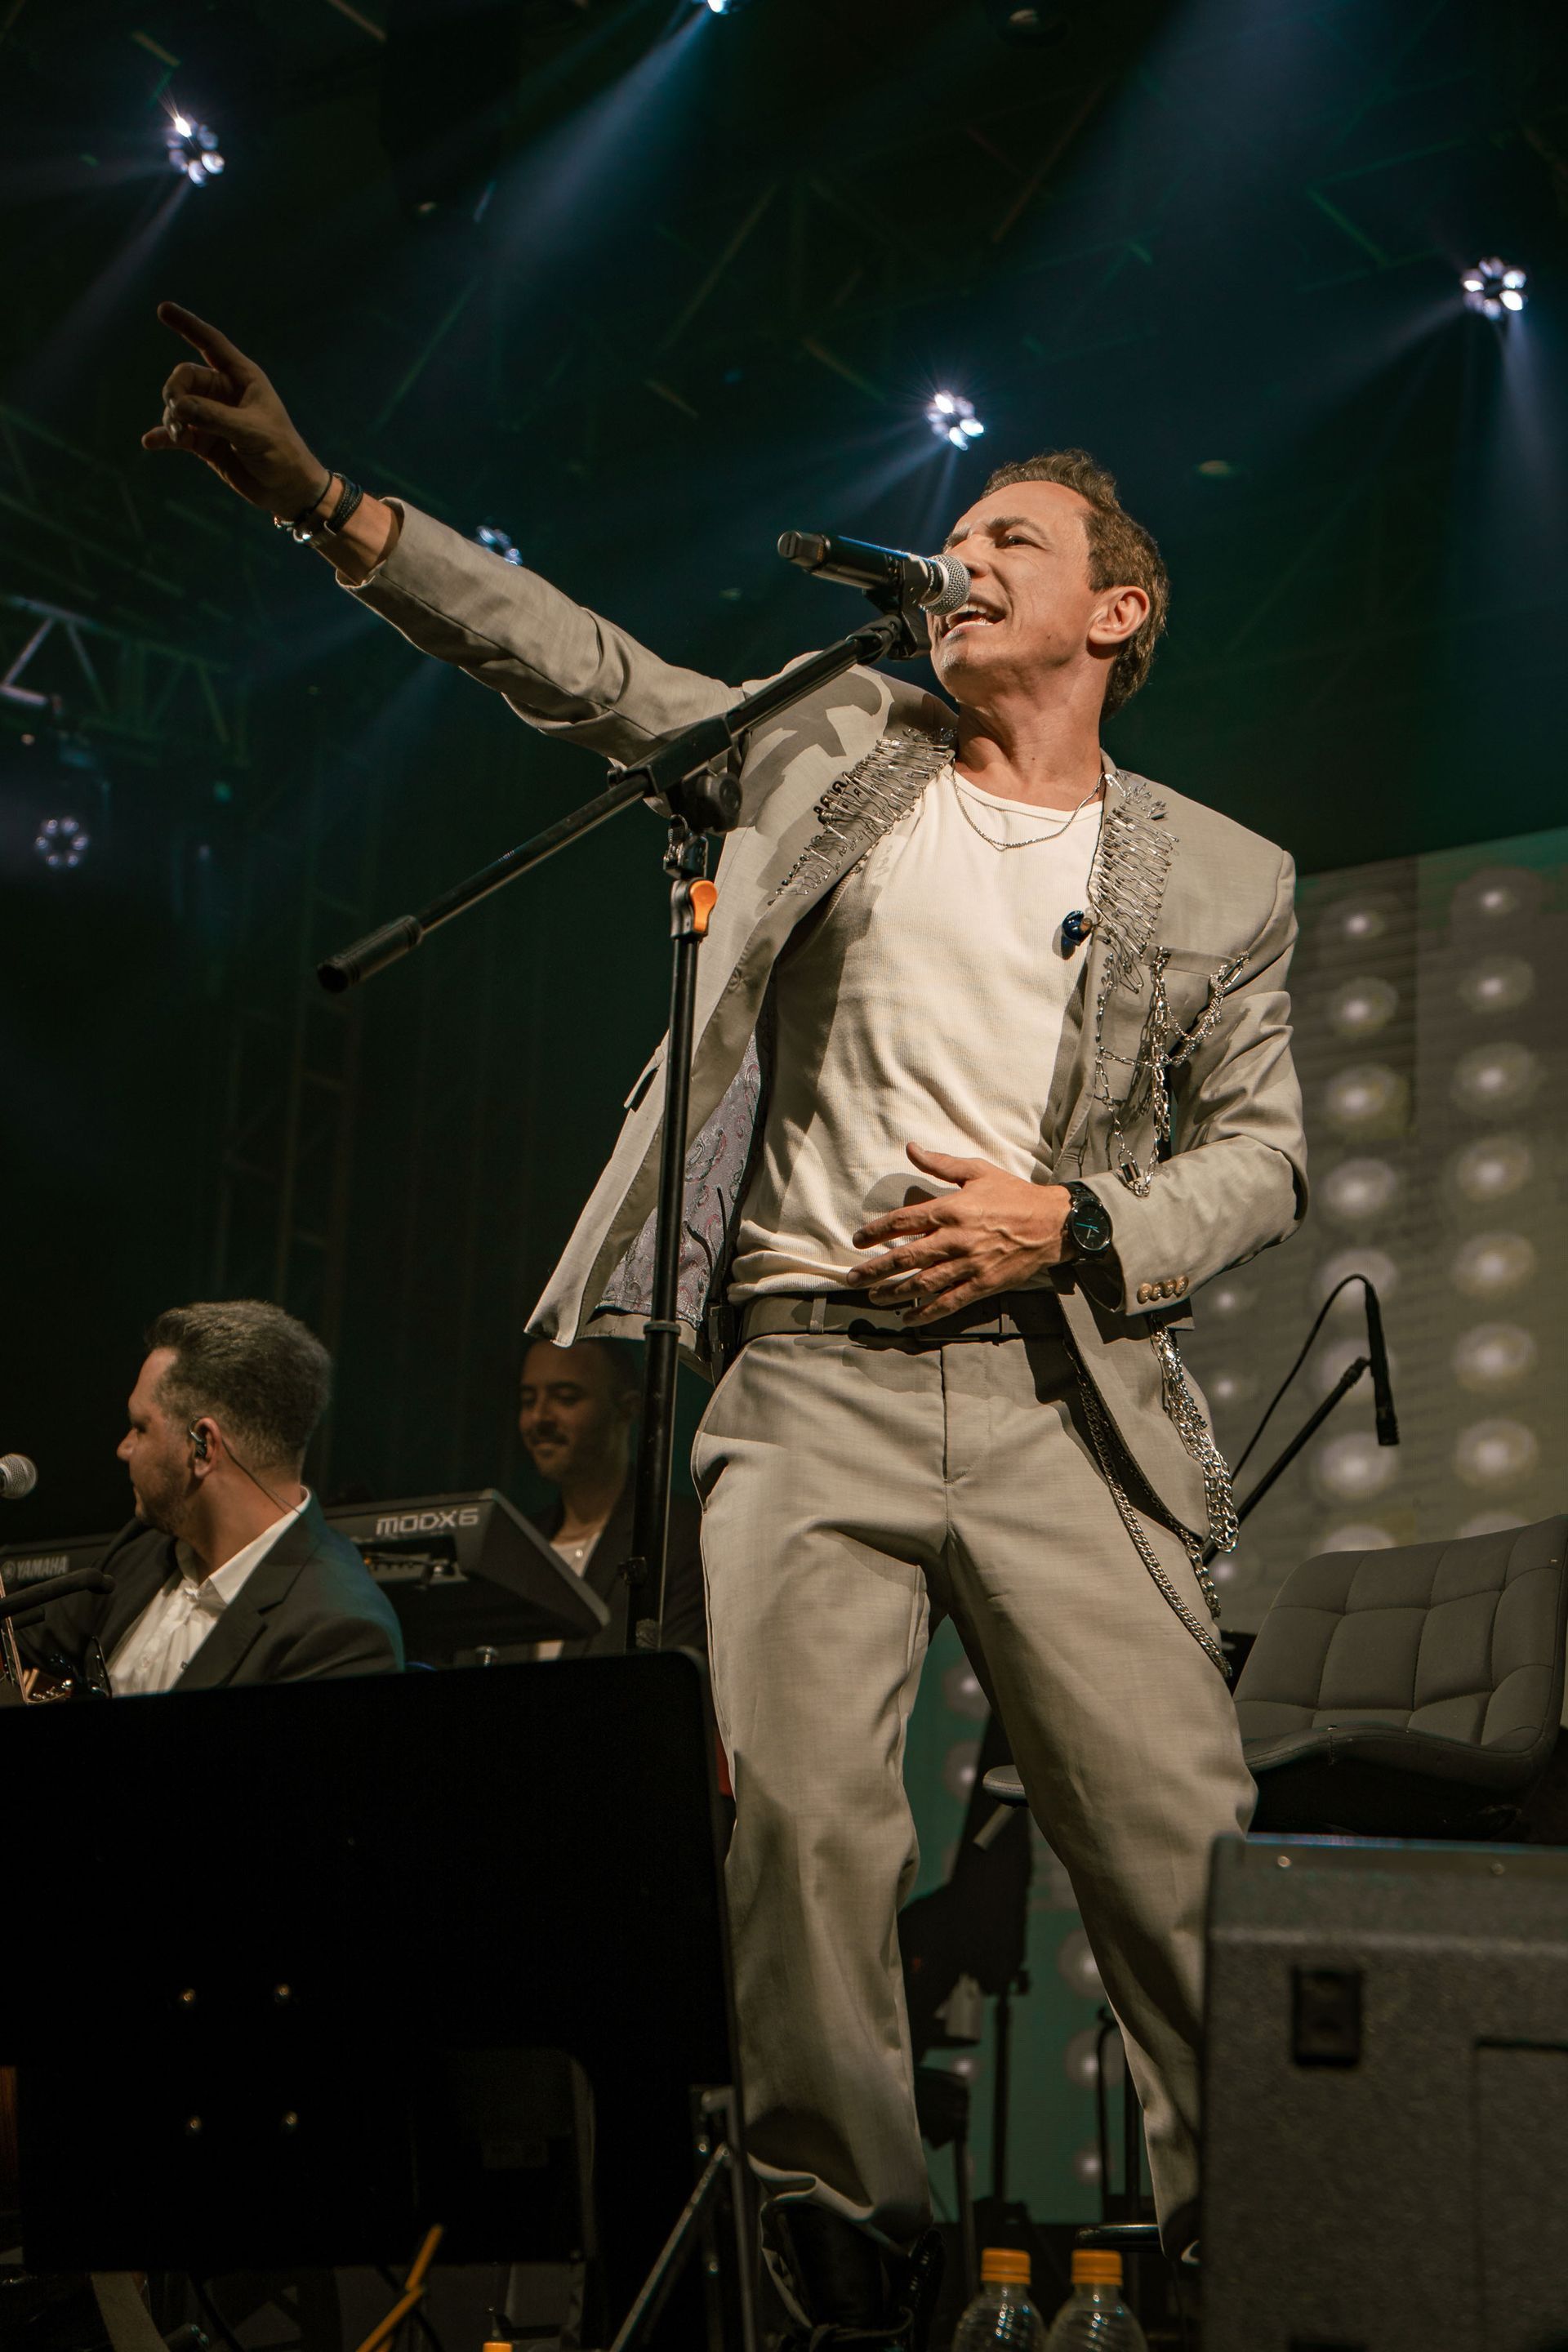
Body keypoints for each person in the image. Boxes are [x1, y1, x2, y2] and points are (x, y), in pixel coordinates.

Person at [144, 305, 1307, 2345]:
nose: (960, 563)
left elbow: (1264, 1157)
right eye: (947, 536)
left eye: (1007, 542)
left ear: (1116, 610)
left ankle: (1269, 2276)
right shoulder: (823, 745)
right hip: (807, 1378)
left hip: (1057, 1405)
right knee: (793, 1843)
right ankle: (842, 2274)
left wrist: (1080, 1217)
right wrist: (332, 509)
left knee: (1183, 1864)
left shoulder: (1223, 873)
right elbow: (575, 662)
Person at [22, 1299, 402, 1694]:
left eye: (140, 1427)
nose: (124, 1447)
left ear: (203, 1445)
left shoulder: (339, 1634)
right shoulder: (144, 1545)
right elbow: (24, 1653)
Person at [518, 1334, 705, 1657]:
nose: (539, 1418)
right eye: (528, 1400)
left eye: (565, 1398)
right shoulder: (516, 1545)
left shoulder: (679, 1537)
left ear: (627, 1409)